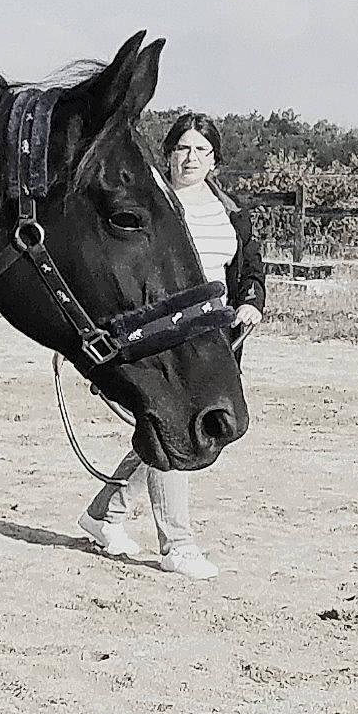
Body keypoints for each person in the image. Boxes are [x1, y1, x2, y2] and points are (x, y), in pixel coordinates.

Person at [77, 114, 266, 578]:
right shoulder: (154, 209)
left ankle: (104, 514)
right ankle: (177, 544)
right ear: (169, 153)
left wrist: (252, 304)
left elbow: (250, 268)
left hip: (217, 339)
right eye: (183, 148)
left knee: (184, 427)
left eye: (202, 150)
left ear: (215, 160)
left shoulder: (231, 212)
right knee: (177, 426)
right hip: (165, 337)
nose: (191, 158)